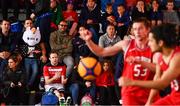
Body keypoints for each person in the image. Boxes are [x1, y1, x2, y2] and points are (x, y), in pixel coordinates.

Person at [79, 17, 158, 105]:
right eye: (135, 29)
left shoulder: (155, 47)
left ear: (148, 30)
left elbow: (159, 70)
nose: (137, 31)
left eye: (141, 28)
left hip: (149, 90)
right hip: (130, 91)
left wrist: (140, 62)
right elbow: (101, 52)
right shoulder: (126, 44)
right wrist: (88, 41)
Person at [119, 23, 180, 105]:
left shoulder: (177, 58)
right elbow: (157, 80)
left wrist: (132, 82)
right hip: (174, 97)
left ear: (160, 43)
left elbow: (162, 84)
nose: (148, 43)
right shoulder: (161, 57)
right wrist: (149, 102)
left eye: (151, 41)